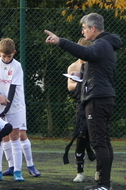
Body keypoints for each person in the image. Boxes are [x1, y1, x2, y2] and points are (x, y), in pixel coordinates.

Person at [44, 12, 122, 190]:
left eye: (84, 28)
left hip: (98, 98)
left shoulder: (101, 44)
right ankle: (104, 183)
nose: (83, 32)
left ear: (93, 28)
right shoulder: (106, 44)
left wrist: (60, 41)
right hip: (102, 97)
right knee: (103, 141)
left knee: (99, 142)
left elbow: (84, 52)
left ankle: (103, 184)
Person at [0, 38, 40, 182]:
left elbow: (12, 89)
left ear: (14, 53)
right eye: (3, 56)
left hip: (13, 107)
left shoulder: (17, 66)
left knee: (15, 137)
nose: (6, 58)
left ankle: (17, 171)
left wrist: (5, 110)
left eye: (9, 56)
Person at [63, 38, 96, 183]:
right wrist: (81, 82)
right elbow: (70, 86)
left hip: (95, 103)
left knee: (96, 137)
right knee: (81, 136)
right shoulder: (73, 66)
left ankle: (99, 171)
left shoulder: (95, 65)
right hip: (81, 104)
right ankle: (80, 172)